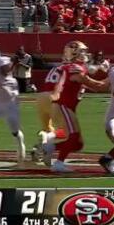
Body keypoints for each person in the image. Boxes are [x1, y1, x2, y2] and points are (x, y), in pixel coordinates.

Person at [41, 42, 106, 172]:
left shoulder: (76, 66)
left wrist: (101, 68)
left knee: (77, 144)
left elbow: (89, 72)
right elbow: (96, 86)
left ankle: (50, 146)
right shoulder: (75, 69)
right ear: (74, 53)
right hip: (63, 105)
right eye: (82, 51)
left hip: (65, 106)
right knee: (73, 136)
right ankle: (58, 162)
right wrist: (109, 79)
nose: (85, 54)